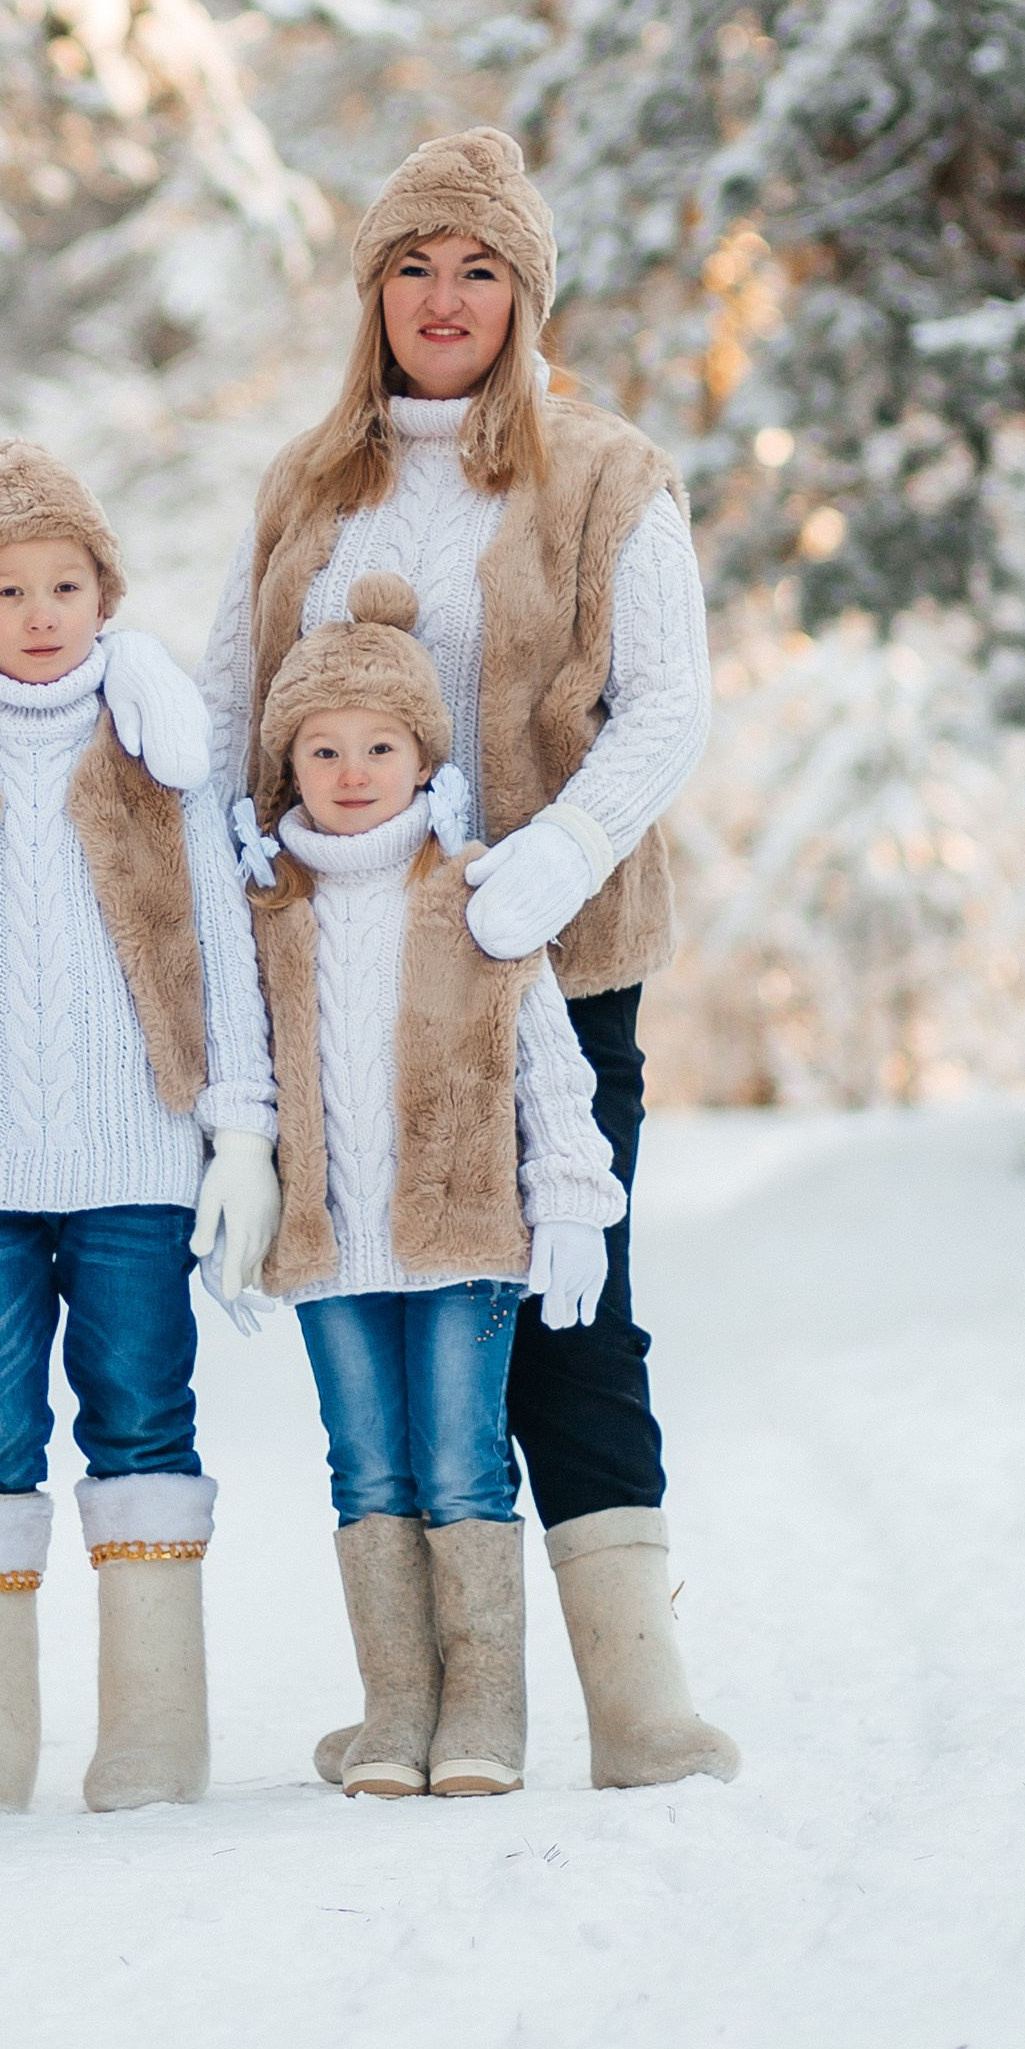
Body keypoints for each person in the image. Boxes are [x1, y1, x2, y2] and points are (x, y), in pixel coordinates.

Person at [200, 127, 738, 1789]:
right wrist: (229, 881)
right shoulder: (305, 483)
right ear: (371, 293)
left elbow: (665, 703)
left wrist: (552, 860)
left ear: (523, 294)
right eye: (414, 267)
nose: (444, 299)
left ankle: (635, 1699)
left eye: (478, 268)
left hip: (545, 974)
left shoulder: (600, 473)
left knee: (572, 1311)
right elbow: (233, 706)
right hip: (342, 989)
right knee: (381, 1321)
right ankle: (426, 1709)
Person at [0, 444, 277, 1819]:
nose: (38, 613)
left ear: (102, 595)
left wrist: (242, 1131)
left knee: (143, 1420)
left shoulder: (158, 741)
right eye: (8, 590)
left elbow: (219, 940)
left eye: (65, 586)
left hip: (138, 1159)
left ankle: (152, 1732)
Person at [239, 576, 622, 1797]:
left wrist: (571, 1194)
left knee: (460, 1462)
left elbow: (546, 1058)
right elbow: (235, 1068)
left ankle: (484, 1713)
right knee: (365, 1468)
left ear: (421, 755)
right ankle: (395, 1707)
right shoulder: (266, 914)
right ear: (289, 763)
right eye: (323, 747)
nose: (352, 770)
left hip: (460, 1240)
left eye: (380, 746)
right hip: (330, 1244)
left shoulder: (473, 893)